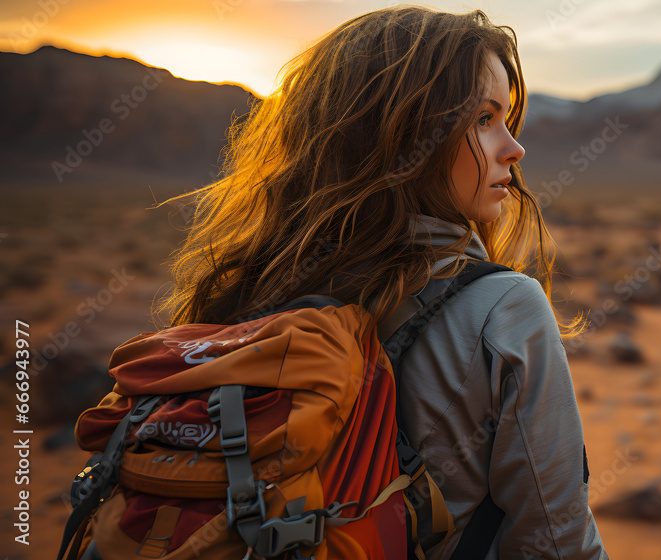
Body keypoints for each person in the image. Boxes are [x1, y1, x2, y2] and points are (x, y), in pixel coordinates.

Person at [153, 5, 608, 559]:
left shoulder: (250, 289)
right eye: (484, 120)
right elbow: (558, 545)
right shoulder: (505, 309)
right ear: (409, 135)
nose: (514, 148)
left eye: (507, 119)